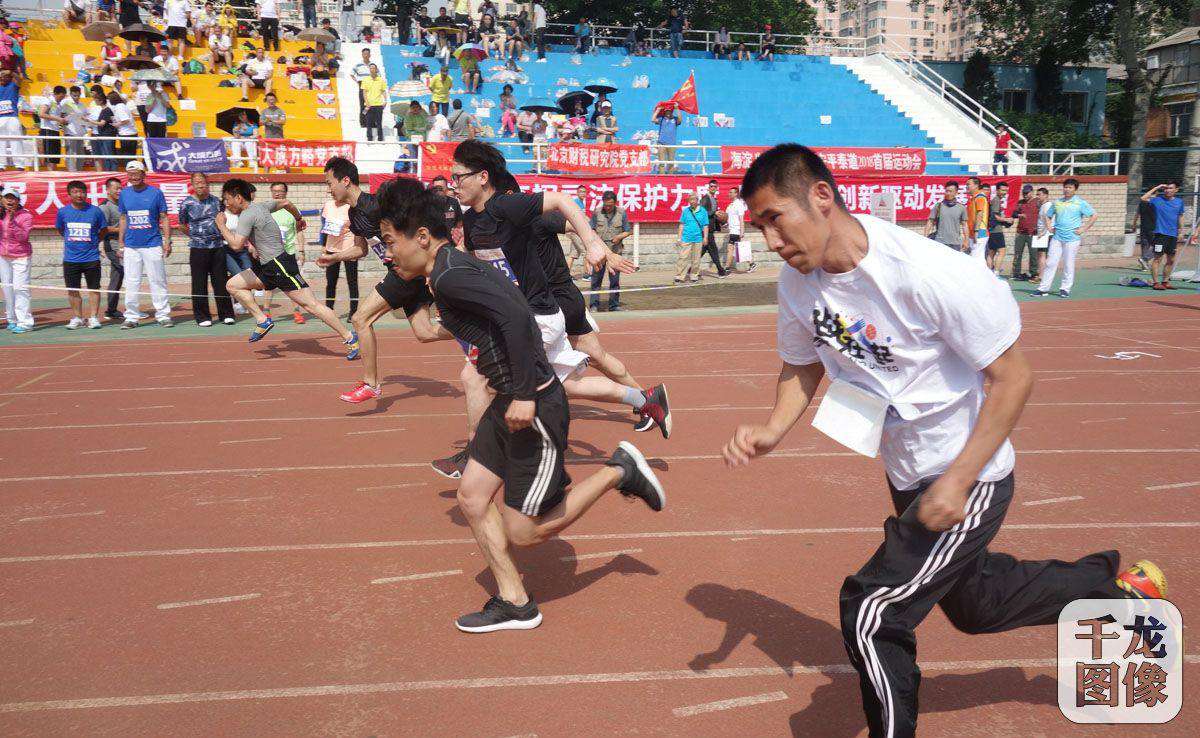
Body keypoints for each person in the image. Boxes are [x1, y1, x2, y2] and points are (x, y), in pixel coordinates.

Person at [721, 143, 1166, 738]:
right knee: (978, 607)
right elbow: (803, 365)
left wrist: (957, 481)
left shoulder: (931, 273)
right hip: (907, 472)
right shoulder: (799, 284)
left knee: (871, 612)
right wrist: (774, 429)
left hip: (969, 471)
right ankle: (1116, 591)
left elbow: (1013, 378)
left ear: (822, 198)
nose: (770, 241)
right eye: (759, 226)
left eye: (776, 218)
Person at [374, 176, 667, 633]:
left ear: (423, 238)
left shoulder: (451, 275)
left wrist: (527, 394)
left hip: (533, 406)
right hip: (507, 401)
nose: (388, 253)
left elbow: (515, 317)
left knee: (525, 532)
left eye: (391, 242)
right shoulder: (446, 270)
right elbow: (495, 315)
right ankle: (515, 601)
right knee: (471, 497)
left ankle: (619, 471)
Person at [433, 141, 670, 476]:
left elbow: (561, 201)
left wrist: (593, 244)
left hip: (536, 317)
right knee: (563, 385)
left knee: (477, 377)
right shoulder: (472, 223)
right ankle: (645, 400)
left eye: (460, 177)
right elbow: (479, 265)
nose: (455, 184)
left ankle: (475, 454)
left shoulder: (507, 207)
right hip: (528, 315)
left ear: (483, 177)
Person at [318, 157, 450, 403]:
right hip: (408, 274)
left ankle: (371, 384)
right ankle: (477, 330)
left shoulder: (375, 206)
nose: (328, 189)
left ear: (345, 181)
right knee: (425, 332)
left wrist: (429, 267)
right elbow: (360, 250)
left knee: (360, 318)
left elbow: (411, 231)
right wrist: (335, 257)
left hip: (405, 272)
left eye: (329, 183)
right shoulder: (354, 213)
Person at [215, 178, 357, 353]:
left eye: (227, 199)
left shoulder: (247, 215)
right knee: (233, 285)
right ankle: (262, 320)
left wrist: (221, 226)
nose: (226, 204)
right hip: (267, 267)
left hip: (279, 266)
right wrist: (299, 218)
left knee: (311, 305)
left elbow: (236, 245)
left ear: (238, 198)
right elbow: (286, 203)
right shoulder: (262, 206)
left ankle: (350, 338)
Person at [118, 161, 173, 329]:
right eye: (130, 174)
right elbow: (123, 218)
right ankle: (132, 317)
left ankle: (163, 315)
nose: (133, 177)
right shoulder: (124, 194)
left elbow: (164, 218)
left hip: (152, 244)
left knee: (157, 280)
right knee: (131, 281)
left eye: (136, 173)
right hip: (131, 246)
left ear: (144, 174)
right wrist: (121, 242)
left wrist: (167, 240)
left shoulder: (155, 193)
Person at [178, 172, 234, 326]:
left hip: (217, 247)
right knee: (199, 283)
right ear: (192, 185)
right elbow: (182, 225)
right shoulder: (186, 204)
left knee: (221, 282)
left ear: (207, 184)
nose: (201, 185)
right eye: (197, 183)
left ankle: (226, 314)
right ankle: (202, 317)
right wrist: (195, 236)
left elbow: (224, 219)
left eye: (203, 182)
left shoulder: (217, 202)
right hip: (198, 249)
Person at [55, 180, 108, 330]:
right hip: (71, 259)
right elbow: (61, 230)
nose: (79, 195)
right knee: (73, 289)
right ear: (69, 194)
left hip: (91, 258)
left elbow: (103, 230)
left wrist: (95, 241)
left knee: (94, 288)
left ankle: (93, 317)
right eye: (76, 192)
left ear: (86, 193)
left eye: (82, 192)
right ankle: (77, 317)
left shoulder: (96, 211)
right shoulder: (63, 212)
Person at [1034, 178, 1096, 298]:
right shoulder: (1057, 202)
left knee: (1068, 264)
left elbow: (1094, 215)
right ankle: (1043, 289)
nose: (1067, 189)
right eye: (1065, 187)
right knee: (1050, 263)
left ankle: (1065, 289)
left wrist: (1083, 229)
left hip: (1072, 239)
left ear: (1075, 189)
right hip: (1057, 237)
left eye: (1070, 187)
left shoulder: (1080, 203)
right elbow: (1048, 216)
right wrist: (1049, 227)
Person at [261, 181, 308, 324]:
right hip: (271, 254)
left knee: (293, 284)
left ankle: (297, 312)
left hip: (288, 253)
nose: (277, 193)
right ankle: (266, 313)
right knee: (269, 285)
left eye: (280, 191)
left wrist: (301, 250)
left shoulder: (292, 210)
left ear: (285, 193)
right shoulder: (266, 210)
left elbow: (299, 231)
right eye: (274, 190)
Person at [588, 191, 631, 312]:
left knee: (614, 280)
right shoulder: (597, 212)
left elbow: (628, 230)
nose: (608, 207)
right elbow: (591, 230)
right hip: (600, 252)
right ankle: (594, 305)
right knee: (596, 279)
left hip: (615, 251)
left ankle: (614, 305)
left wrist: (620, 237)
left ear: (615, 203)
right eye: (606, 204)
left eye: (610, 205)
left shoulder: (621, 213)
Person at [1143, 181, 1187, 290]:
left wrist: (1181, 231)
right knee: (1158, 258)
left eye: (1171, 188)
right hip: (1160, 234)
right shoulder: (1157, 200)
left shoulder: (1179, 202)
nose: (1168, 190)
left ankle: (1165, 281)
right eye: (1166, 188)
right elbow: (1143, 198)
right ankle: (1155, 283)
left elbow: (1180, 216)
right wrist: (1157, 187)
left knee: (1171, 260)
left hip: (1173, 235)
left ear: (1176, 190)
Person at [0, 188, 33, 333]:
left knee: (20, 288)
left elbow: (22, 237)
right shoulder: (1, 214)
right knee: (7, 289)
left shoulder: (25, 216)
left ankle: (25, 322)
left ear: (18, 201)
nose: (9, 201)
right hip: (3, 256)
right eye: (6, 198)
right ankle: (11, 319)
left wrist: (13, 220)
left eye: (13, 198)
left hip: (21, 256)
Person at [321, 195, 358, 318]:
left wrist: (346, 225)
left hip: (349, 247)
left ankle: (353, 312)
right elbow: (324, 226)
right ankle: (329, 310)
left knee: (352, 281)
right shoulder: (328, 205)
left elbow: (357, 226)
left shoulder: (351, 206)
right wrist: (323, 246)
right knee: (331, 281)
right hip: (332, 248)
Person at [98, 177, 123, 319]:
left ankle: (111, 310)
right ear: (108, 190)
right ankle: (114, 310)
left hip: (123, 245)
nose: (119, 191)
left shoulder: (122, 205)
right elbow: (103, 228)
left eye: (121, 188)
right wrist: (122, 229)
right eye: (116, 188)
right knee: (125, 271)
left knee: (117, 277)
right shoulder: (105, 207)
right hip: (112, 247)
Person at [924, 180, 967, 251]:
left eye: (950, 191)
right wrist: (925, 236)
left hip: (955, 243)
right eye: (946, 191)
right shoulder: (938, 206)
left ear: (956, 193)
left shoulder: (961, 207)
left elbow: (965, 225)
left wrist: (966, 240)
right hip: (940, 242)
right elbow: (930, 222)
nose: (948, 193)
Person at [675, 193, 708, 283]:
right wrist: (679, 238)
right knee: (683, 257)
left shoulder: (703, 211)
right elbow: (682, 224)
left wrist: (705, 237)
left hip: (698, 238)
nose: (692, 201)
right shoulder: (686, 211)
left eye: (694, 199)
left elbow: (705, 225)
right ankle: (679, 276)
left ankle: (694, 275)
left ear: (697, 201)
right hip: (686, 237)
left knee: (696, 258)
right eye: (690, 200)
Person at [1010, 184, 1041, 280]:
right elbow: (1014, 213)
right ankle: (1016, 273)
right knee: (1018, 253)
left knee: (1033, 254)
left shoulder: (1037, 202)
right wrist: (1019, 215)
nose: (1025, 195)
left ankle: (1034, 273)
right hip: (1021, 232)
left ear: (1031, 192)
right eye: (1024, 193)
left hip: (1033, 232)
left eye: (1027, 193)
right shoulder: (1020, 203)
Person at [700, 179, 729, 278]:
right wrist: (714, 213)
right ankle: (721, 271)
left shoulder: (714, 199)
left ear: (717, 188)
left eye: (715, 186)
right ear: (708, 187)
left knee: (702, 251)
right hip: (706, 229)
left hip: (711, 229)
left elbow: (714, 215)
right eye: (711, 186)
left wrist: (722, 222)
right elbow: (702, 213)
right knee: (714, 251)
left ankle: (690, 269)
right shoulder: (705, 199)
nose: (713, 188)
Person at [725, 185, 756, 273]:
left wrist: (742, 232)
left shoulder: (739, 205)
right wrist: (725, 224)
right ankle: (751, 263)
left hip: (736, 231)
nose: (729, 194)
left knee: (730, 249)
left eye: (731, 192)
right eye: (729, 192)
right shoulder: (730, 205)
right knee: (740, 249)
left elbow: (741, 219)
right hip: (731, 230)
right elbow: (728, 218)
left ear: (736, 194)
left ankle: (727, 268)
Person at [0, 69, 27, 168]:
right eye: (1, 76)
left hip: (12, 117)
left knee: (16, 140)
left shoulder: (13, 86)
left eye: (5, 76)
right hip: (1, 118)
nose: (2, 78)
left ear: (9, 78)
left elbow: (19, 79)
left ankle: (19, 164)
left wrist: (10, 72)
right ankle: (1, 164)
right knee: (1, 141)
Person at [38, 86, 69, 169]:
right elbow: (41, 114)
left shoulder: (59, 104)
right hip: (47, 131)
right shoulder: (48, 101)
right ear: (55, 94)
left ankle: (53, 174)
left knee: (55, 157)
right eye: (60, 97)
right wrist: (58, 118)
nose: (61, 99)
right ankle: (50, 175)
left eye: (63, 97)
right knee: (49, 157)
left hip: (55, 130)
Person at [986, 181, 1012, 277]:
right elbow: (995, 216)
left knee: (991, 252)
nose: (1004, 192)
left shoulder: (996, 200)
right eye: (1003, 190)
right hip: (996, 230)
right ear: (997, 190)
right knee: (1002, 251)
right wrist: (1007, 220)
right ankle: (996, 273)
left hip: (993, 230)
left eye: (1006, 190)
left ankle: (989, 273)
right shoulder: (996, 200)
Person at [62, 86, 88, 171]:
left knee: (81, 154)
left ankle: (79, 171)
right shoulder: (65, 105)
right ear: (70, 94)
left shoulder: (82, 105)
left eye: (78, 95)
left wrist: (85, 121)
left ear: (80, 94)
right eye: (74, 96)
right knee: (70, 153)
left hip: (80, 133)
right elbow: (62, 117)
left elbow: (86, 117)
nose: (76, 97)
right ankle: (71, 172)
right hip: (70, 132)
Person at [564, 185, 588, 277]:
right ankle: (587, 274)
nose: (583, 193)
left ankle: (566, 274)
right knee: (586, 252)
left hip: (576, 231)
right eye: (581, 191)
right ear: (577, 193)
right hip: (574, 231)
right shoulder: (575, 202)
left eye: (584, 192)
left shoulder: (582, 202)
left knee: (573, 254)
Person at [964, 176, 989, 261]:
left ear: (976, 185)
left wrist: (976, 231)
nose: (966, 186)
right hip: (973, 232)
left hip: (979, 232)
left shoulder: (980, 197)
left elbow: (980, 214)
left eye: (968, 184)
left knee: (976, 259)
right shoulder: (973, 198)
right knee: (978, 258)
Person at [361, 64, 387, 142]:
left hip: (378, 104)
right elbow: (364, 92)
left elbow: (383, 91)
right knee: (368, 123)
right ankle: (369, 138)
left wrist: (385, 100)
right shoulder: (365, 79)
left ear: (376, 69)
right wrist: (366, 102)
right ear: (369, 69)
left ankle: (380, 138)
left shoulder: (381, 80)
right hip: (369, 104)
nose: (372, 69)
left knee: (379, 122)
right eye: (371, 68)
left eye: (373, 68)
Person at [1031, 186, 1052, 282]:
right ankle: (1041, 275)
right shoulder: (1043, 206)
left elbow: (1047, 220)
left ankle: (1041, 277)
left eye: (1039, 195)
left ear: (1046, 195)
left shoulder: (1047, 206)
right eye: (1037, 195)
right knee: (1040, 255)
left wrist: (1042, 233)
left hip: (1045, 234)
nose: (1038, 197)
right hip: (1042, 233)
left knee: (1042, 255)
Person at [653, 104, 681, 174]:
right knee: (661, 162)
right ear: (665, 112)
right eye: (667, 111)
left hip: (671, 144)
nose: (668, 113)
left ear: (672, 112)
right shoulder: (661, 119)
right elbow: (653, 120)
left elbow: (680, 120)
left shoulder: (675, 119)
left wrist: (677, 108)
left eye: (670, 111)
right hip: (661, 143)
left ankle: (670, 176)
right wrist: (658, 110)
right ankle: (662, 176)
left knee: (671, 162)